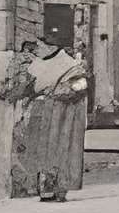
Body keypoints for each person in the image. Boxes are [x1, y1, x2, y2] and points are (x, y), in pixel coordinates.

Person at [5, 32, 90, 201]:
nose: (37, 49)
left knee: (59, 152)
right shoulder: (37, 64)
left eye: (40, 46)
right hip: (39, 114)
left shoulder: (70, 65)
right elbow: (27, 87)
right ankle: (42, 189)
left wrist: (56, 92)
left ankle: (59, 189)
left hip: (62, 117)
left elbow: (79, 87)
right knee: (38, 152)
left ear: (52, 47)